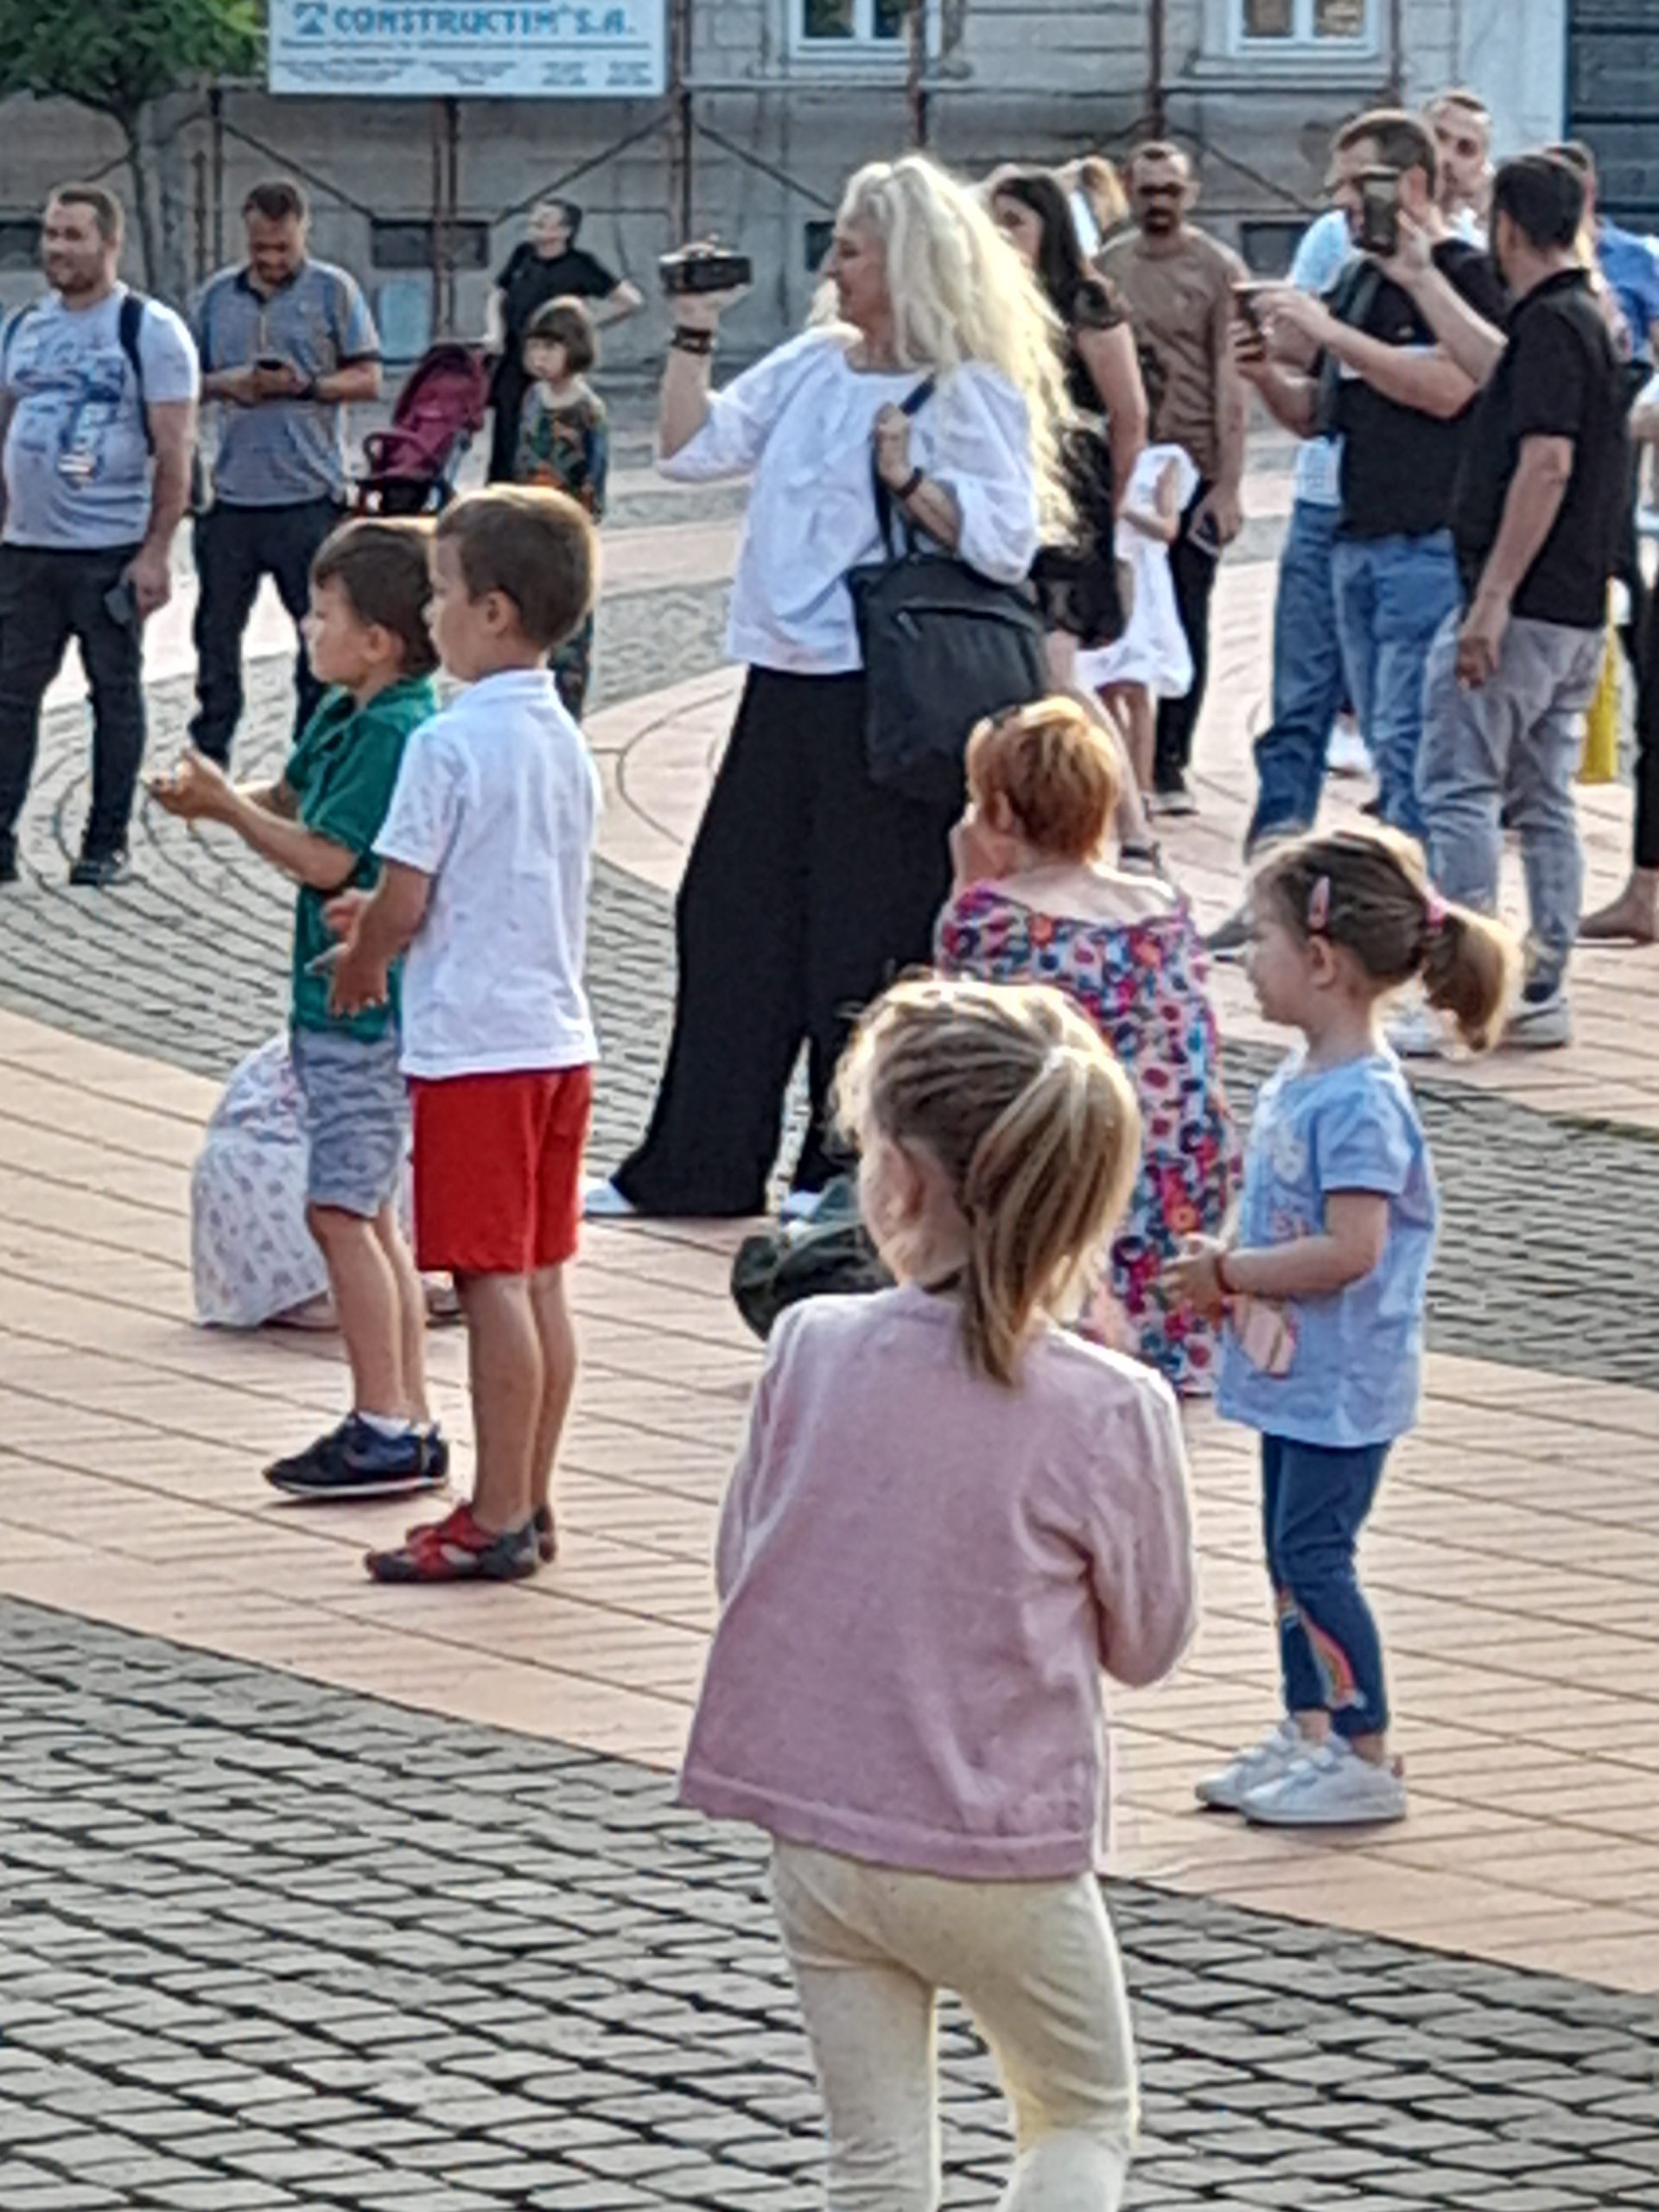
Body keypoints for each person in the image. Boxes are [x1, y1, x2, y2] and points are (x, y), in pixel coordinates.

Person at [680, 974, 1196, 2212]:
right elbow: (1149, 1642)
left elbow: (742, 1562)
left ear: (899, 1179)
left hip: (819, 1826)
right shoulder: (1110, 1408)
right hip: (998, 1842)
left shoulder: (810, 1345)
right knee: (1079, 2112)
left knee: (873, 2165)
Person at [587, 155, 1058, 1224]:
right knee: (728, 914)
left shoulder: (969, 387)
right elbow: (691, 452)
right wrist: (693, 331)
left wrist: (910, 479)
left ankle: (840, 1169)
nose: (833, 268)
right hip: (783, 678)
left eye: (851, 249)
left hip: (882, 692)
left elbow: (1006, 542)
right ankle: (700, 1161)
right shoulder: (811, 363)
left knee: (864, 933)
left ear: (909, 262)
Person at [1165, 829, 1518, 1827]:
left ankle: (1363, 1748)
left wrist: (1230, 1273)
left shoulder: (1361, 1101)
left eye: (1262, 940)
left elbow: (1351, 1248)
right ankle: (1308, 1724)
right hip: (1297, 1375)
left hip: (1344, 1380)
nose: (1247, 959)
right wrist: (1231, 1256)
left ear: (1321, 961)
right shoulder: (1308, 1076)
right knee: (1289, 1554)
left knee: (1315, 1554)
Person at [327, 487, 601, 1584]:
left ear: (493, 611)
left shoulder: (445, 743)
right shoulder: (560, 736)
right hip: (555, 1035)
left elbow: (404, 898)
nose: (430, 612)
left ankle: (493, 1514)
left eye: (441, 592)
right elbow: (499, 878)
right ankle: (532, 1492)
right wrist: (398, 920)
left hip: (475, 1048)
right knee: (541, 1278)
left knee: (490, 1283)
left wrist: (364, 956)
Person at [152, 518, 443, 1495]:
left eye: (324, 615)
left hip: (364, 1010)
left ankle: (385, 1419)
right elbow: (292, 797)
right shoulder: (348, 711)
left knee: (342, 1212)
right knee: (373, 1213)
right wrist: (219, 796)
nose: (309, 629)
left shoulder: (395, 729)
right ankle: (405, 1413)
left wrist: (229, 810)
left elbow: (328, 858)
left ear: (380, 641)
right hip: (334, 1007)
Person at [1393, 156, 1627, 1053]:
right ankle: (1541, 983)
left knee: (1461, 786)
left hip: (1523, 604)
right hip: (1573, 606)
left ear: (1506, 228)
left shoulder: (1553, 325)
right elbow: (1505, 376)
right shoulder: (1578, 318)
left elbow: (1546, 462)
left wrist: (1490, 599)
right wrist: (1422, 275)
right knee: (1542, 795)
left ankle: (1463, 989)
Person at [936, 700, 1236, 1395]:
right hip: (1186, 1163)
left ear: (999, 811)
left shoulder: (990, 918)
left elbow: (956, 1036)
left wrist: (967, 879)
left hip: (1078, 1158)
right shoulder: (1163, 906)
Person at [1249, 111, 1505, 843]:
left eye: (1358, 186)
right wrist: (1261, 371)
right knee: (1377, 738)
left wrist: (1330, 332)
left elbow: (1451, 389)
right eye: (1337, 188)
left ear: (1411, 184)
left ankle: (1426, 897)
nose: (1343, 204)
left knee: (1410, 737)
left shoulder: (1464, 273)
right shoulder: (1358, 278)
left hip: (1428, 540)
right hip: (1354, 535)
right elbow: (1319, 413)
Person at [0, 183, 197, 888]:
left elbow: (175, 451)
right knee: (10, 697)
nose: (57, 248)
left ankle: (104, 843)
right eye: (50, 234)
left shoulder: (148, 330)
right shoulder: (22, 329)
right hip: (28, 551)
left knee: (113, 695)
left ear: (110, 244)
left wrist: (156, 553)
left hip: (109, 551)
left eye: (73, 236)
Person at [189, 180, 382, 768]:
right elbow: (185, 382)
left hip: (309, 495)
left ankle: (311, 754)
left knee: (320, 633)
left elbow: (369, 378)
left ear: (304, 231)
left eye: (283, 248)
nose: (272, 259)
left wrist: (309, 387)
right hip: (233, 498)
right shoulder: (215, 297)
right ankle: (210, 750)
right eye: (261, 248)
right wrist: (230, 384)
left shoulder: (334, 291)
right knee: (215, 634)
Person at [1101, 143, 1247, 816]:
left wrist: (1229, 484)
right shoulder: (1108, 267)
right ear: (1129, 190)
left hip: (1193, 464)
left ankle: (1171, 762)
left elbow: (1230, 376)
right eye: (1148, 189)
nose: (1159, 201)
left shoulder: (1218, 268)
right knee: (1116, 614)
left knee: (1186, 612)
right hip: (1124, 462)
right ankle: (1114, 761)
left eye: (1171, 190)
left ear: (1191, 193)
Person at [990, 168, 1147, 663]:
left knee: (1060, 646)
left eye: (1014, 222)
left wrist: (1118, 497)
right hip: (1010, 478)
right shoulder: (988, 309)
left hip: (1074, 479)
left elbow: (1129, 413)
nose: (1000, 236)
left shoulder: (1085, 300)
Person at [485, 198, 641, 485]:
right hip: (514, 359)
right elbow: (498, 294)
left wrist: (581, 325)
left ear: (564, 231)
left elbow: (629, 301)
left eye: (544, 221)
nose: (535, 225)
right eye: (533, 220)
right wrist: (494, 332)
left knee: (548, 432)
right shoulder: (522, 255)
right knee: (507, 434)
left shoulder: (580, 264)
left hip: (554, 365)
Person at [513, 296, 609, 720]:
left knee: (569, 632)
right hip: (528, 522)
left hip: (566, 527)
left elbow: (595, 475)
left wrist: (581, 523)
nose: (540, 357)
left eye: (550, 348)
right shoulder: (533, 398)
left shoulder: (587, 410)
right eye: (534, 347)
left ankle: (568, 711)